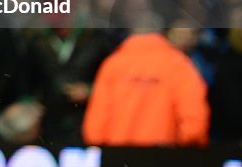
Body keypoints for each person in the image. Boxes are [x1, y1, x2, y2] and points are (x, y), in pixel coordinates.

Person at [82, 15, 210, 147]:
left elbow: (95, 129)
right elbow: (194, 127)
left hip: (117, 160)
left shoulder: (112, 64)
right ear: (162, 33)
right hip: (164, 160)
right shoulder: (179, 65)